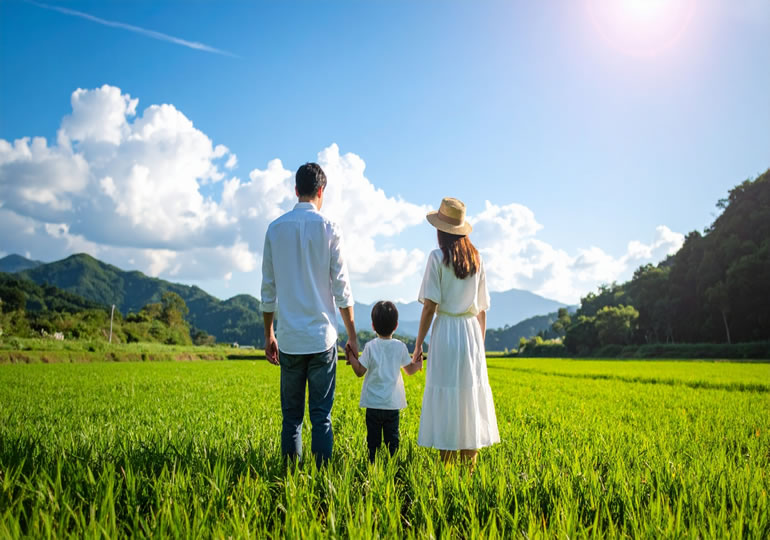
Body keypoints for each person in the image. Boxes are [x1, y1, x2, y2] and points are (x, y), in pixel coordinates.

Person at [261, 162, 358, 467]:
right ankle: (321, 478)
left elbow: (268, 290)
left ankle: (289, 478)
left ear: (295, 190)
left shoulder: (275, 229)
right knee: (322, 417)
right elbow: (342, 289)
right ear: (320, 191)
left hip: (289, 339)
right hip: (322, 338)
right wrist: (352, 336)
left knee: (291, 418)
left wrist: (269, 334)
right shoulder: (330, 229)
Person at [412, 197, 500, 466]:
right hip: (471, 332)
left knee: (447, 397)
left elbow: (429, 306)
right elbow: (482, 310)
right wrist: (479, 347)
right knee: (469, 399)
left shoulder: (437, 257)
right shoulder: (477, 259)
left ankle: (446, 472)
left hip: (447, 331)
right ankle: (468, 474)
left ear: (441, 230)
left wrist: (418, 346)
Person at [347, 301, 423, 463]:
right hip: (392, 404)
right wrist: (418, 364)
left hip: (373, 404)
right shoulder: (400, 347)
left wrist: (352, 358)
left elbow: (360, 371)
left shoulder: (369, 346)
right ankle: (392, 467)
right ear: (396, 326)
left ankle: (372, 464)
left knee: (373, 442)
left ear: (373, 326)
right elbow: (409, 370)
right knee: (392, 440)